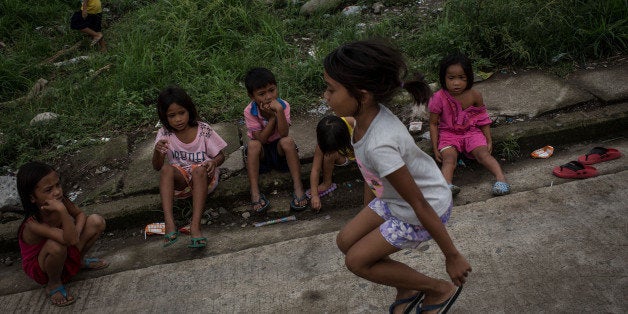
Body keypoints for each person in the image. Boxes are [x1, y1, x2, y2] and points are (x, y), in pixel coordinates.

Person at [323, 40, 471, 314]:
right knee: (345, 241)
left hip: (424, 208)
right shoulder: (362, 118)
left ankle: (438, 289)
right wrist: (367, 213)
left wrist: (452, 255)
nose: (325, 96)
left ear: (363, 94)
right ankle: (407, 286)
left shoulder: (381, 145)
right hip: (396, 199)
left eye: (331, 90)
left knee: (357, 261)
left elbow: (419, 203)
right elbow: (372, 177)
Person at [16, 161, 108, 307]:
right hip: (43, 266)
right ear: (32, 198)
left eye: (58, 185)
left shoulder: (62, 201)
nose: (57, 192)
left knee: (96, 221)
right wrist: (63, 212)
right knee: (56, 245)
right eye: (48, 190)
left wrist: (76, 232)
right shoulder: (33, 224)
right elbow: (67, 240)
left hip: (66, 247)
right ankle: (53, 284)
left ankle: (78, 262)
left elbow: (80, 215)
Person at [152, 86, 227, 249]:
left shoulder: (203, 129)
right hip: (182, 183)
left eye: (181, 113)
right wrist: (158, 151)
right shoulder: (164, 134)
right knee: (166, 169)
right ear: (164, 117)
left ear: (189, 110)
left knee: (199, 170)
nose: (178, 119)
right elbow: (157, 167)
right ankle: (169, 223)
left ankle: (195, 226)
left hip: (204, 178)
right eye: (172, 116)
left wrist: (213, 163)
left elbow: (221, 155)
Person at [428, 53, 510, 196]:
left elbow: (482, 119)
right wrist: (435, 149)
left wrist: (488, 140)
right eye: (451, 78)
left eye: (462, 78)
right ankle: (446, 186)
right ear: (443, 78)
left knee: (483, 154)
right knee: (449, 159)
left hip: (471, 131)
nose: (456, 83)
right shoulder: (438, 98)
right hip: (448, 134)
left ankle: (501, 179)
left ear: (469, 78)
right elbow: (433, 124)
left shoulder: (475, 95)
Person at [243, 67, 308, 212]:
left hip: (279, 151)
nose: (268, 97)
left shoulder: (283, 106)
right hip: (262, 154)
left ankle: (298, 187)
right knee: (253, 145)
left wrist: (278, 112)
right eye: (262, 94)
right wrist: (272, 118)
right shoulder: (250, 111)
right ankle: (255, 192)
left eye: (272, 90)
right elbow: (262, 140)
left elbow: (284, 133)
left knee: (288, 142)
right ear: (252, 96)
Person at [307, 115, 356, 212]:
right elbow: (315, 169)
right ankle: (327, 183)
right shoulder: (325, 138)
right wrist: (314, 195)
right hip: (344, 156)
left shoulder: (355, 124)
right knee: (330, 155)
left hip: (358, 155)